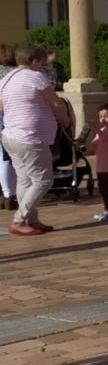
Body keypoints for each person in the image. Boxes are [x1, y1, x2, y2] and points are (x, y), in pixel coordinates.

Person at [0, 45, 68, 236]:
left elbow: (2, 108)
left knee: (25, 180)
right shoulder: (35, 76)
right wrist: (64, 118)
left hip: (11, 137)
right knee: (43, 180)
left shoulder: (6, 79)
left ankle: (31, 219)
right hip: (30, 139)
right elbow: (55, 102)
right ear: (34, 61)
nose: (43, 67)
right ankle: (19, 219)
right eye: (42, 63)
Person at [0, 44, 17, 209]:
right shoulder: (14, 73)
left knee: (3, 158)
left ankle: (5, 194)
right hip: (9, 116)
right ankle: (10, 194)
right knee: (9, 158)